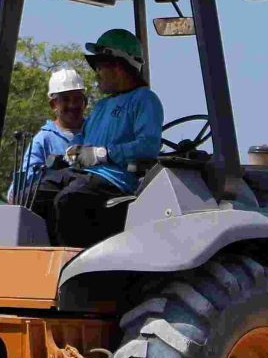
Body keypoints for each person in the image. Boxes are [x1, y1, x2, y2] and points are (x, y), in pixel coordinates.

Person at [43, 29, 162, 244]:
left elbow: (148, 146)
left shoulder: (145, 100)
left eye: (99, 66)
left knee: (69, 200)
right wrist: (74, 150)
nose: (96, 73)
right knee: (35, 194)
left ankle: (71, 270)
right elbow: (84, 138)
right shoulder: (102, 106)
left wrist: (104, 154)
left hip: (116, 180)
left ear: (118, 66)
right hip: (83, 174)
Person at [16, 66, 91, 195]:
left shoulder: (96, 130)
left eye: (77, 98)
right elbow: (24, 184)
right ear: (53, 104)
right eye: (65, 99)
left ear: (85, 102)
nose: (72, 105)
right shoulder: (43, 140)